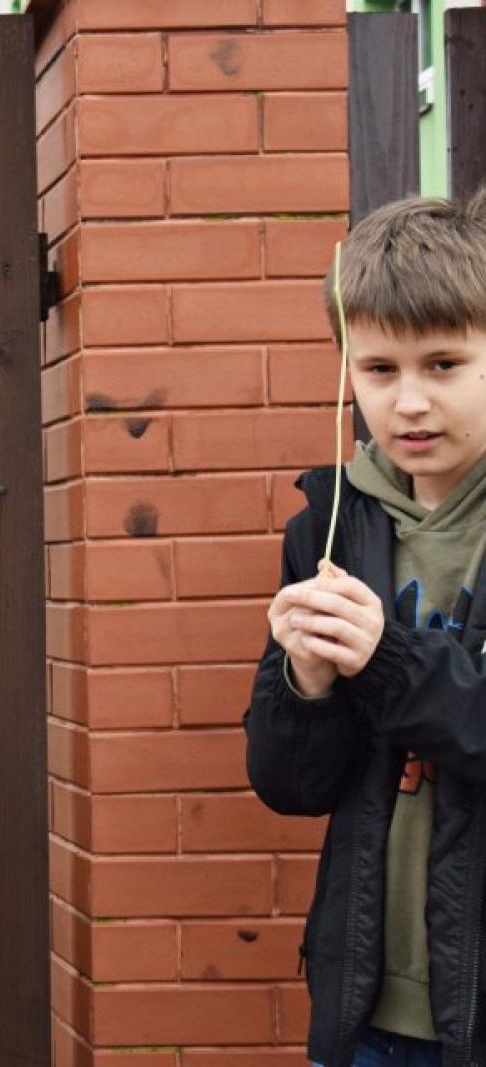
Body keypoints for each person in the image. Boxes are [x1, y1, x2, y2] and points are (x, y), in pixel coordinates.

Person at [245, 190, 486, 1067]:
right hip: (366, 1008)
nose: (410, 401)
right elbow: (290, 784)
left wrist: (383, 657)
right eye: (379, 369)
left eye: (444, 364)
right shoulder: (331, 523)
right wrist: (303, 684)